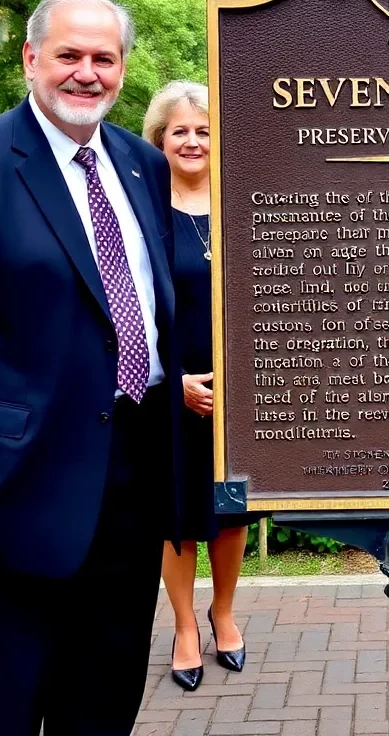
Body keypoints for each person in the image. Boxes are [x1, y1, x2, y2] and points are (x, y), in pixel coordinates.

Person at [0, 0, 185, 735]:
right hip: (16, 490)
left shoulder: (144, 166)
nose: (87, 73)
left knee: (108, 696)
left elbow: (149, 309)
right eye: (69, 56)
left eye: (104, 58)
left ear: (122, 69)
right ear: (31, 60)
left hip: (131, 478)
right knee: (15, 707)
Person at [143, 81, 259, 691]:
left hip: (239, 383)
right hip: (173, 383)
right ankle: (186, 626)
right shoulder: (141, 213)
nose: (193, 141)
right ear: (159, 139)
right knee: (177, 514)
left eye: (205, 130)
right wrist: (173, 380)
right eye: (180, 130)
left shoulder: (243, 202)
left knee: (231, 508)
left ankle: (224, 612)